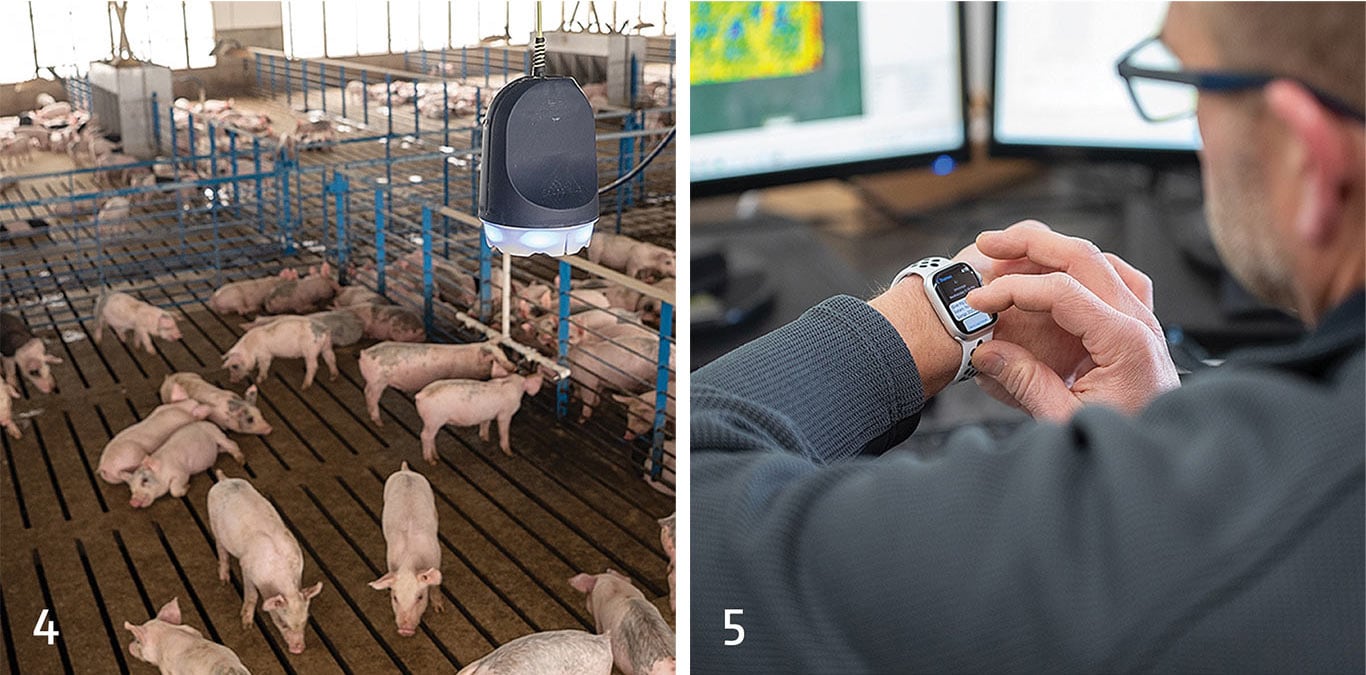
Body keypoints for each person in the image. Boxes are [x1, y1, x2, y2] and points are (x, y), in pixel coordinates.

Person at [691, 2, 1364, 672]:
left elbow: (703, 544)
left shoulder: (1189, 545)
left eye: (1188, 86)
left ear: (1304, 158)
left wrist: (928, 315)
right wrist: (1170, 429)